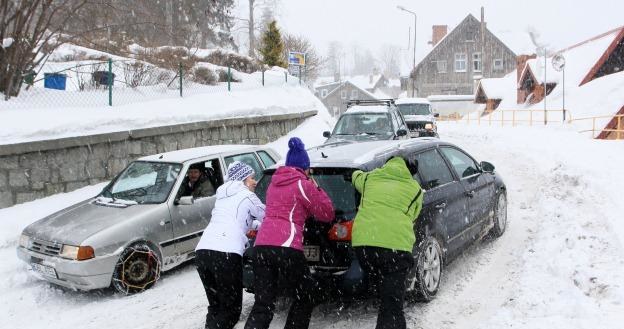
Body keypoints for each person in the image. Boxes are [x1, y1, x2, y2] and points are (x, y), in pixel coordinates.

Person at [244, 137, 335, 329]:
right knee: (306, 293)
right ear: (305, 167)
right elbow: (327, 213)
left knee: (264, 303)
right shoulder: (303, 184)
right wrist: (315, 185)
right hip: (286, 246)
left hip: (261, 247)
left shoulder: (273, 184)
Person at [351, 156, 423, 329]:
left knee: (386, 298)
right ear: (409, 171)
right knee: (392, 303)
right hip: (395, 249)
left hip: (365, 248)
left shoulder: (370, 178)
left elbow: (355, 176)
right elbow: (413, 215)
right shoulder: (416, 190)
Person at [195, 161, 266, 329]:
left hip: (203, 253)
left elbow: (238, 221)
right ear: (242, 179)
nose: (255, 182)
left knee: (216, 307)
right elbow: (268, 216)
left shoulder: (222, 197)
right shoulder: (247, 195)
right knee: (230, 309)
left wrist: (255, 226)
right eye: (252, 178)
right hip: (226, 255)